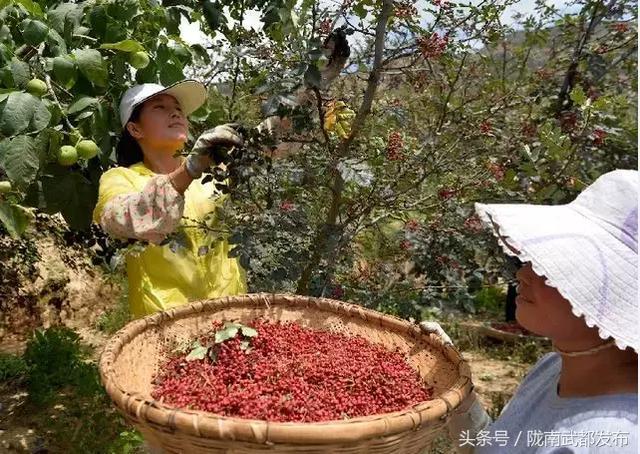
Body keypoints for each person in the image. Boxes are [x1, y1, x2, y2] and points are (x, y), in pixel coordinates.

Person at [423, 169, 638, 453]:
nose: (523, 274)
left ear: (611, 300)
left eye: (550, 270)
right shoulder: (552, 369)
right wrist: (458, 393)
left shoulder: (613, 442)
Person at [93, 80, 248, 317]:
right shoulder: (120, 178)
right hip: (169, 327)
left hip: (232, 316)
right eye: (159, 107)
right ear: (135, 129)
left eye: (177, 108)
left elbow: (275, 141)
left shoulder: (214, 174)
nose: (175, 112)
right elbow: (122, 219)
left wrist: (319, 73)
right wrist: (188, 170)